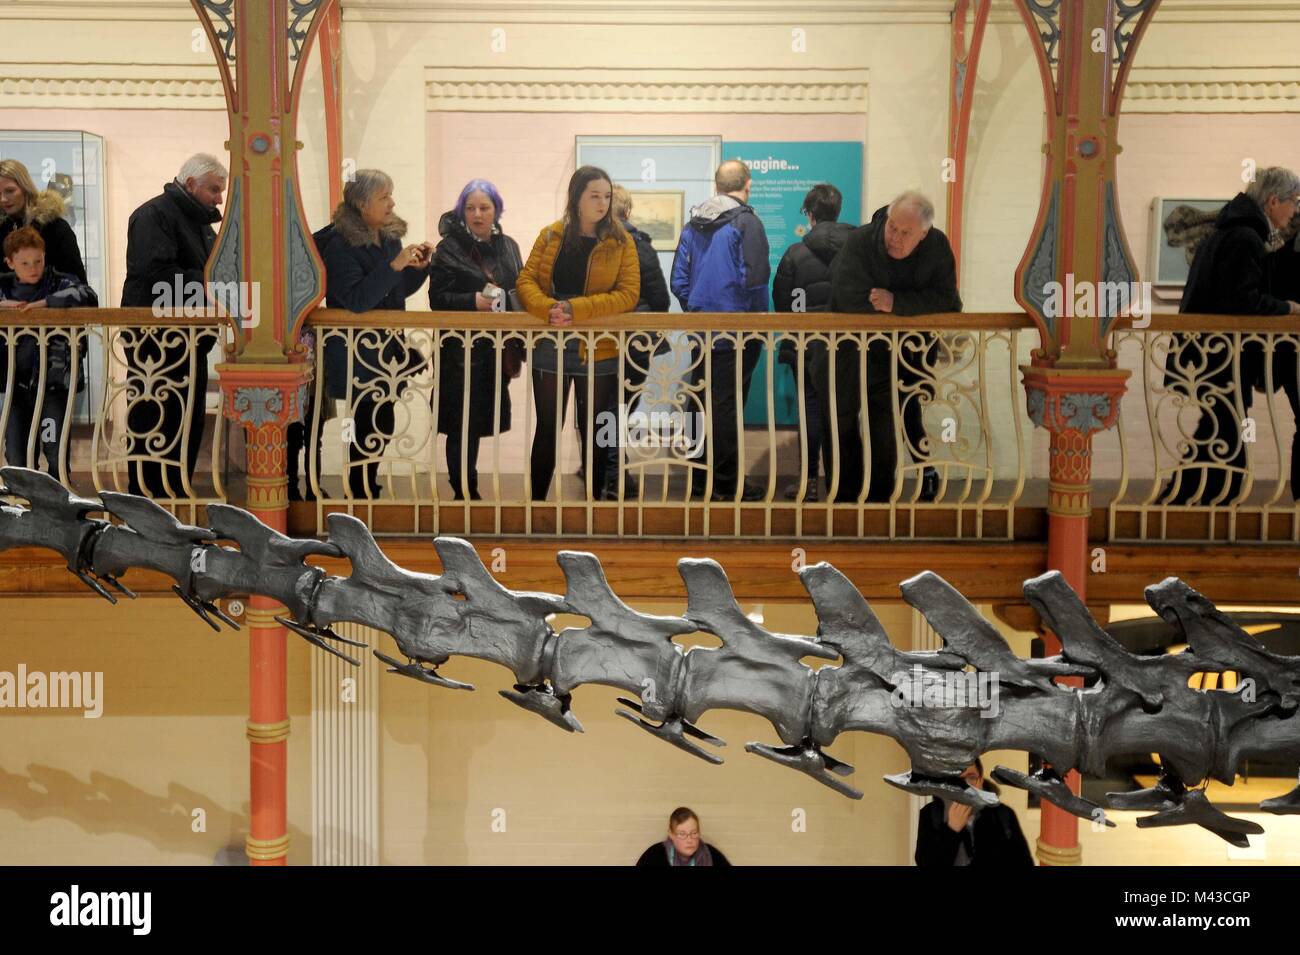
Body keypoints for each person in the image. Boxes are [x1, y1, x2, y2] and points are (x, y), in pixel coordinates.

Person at [1161, 167, 1300, 505]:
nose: (1295, 210)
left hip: (1211, 352)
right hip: (1220, 354)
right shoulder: (1244, 237)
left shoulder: (1234, 230)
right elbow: (1242, 300)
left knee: (1220, 430)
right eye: (1293, 202)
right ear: (1272, 201)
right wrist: (1288, 308)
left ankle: (1186, 502)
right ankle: (1196, 503)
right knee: (1224, 432)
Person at [515, 165, 640, 501]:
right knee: (547, 429)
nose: (602, 203)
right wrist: (547, 308)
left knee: (594, 429)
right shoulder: (551, 235)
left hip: (598, 345)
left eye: (607, 196)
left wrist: (577, 310)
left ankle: (593, 508)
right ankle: (536, 507)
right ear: (576, 198)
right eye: (594, 196)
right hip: (550, 340)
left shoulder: (620, 240)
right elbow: (525, 281)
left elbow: (629, 294)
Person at [827, 190, 960, 502]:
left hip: (905, 356)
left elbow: (949, 302)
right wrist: (907, 308)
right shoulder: (860, 242)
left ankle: (880, 501)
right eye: (892, 228)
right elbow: (848, 299)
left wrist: (895, 302)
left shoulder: (937, 247)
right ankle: (845, 500)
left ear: (923, 234)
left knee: (887, 426)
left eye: (906, 233)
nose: (895, 238)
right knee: (841, 422)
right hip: (848, 351)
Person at [317, 168, 432, 498]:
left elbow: (393, 294)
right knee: (362, 420)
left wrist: (418, 271)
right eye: (384, 197)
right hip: (357, 349)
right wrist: (395, 266)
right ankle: (357, 483)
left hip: (387, 348)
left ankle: (369, 479)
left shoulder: (388, 237)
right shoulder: (341, 245)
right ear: (361, 203)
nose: (392, 202)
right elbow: (356, 300)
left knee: (382, 419)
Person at [120, 153, 227, 497]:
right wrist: (212, 282)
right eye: (214, 189)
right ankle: (148, 497)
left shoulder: (197, 222)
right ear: (191, 183)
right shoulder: (154, 215)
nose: (219, 198)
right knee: (155, 416)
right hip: (156, 340)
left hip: (187, 339)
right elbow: (157, 277)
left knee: (185, 420)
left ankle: (176, 492)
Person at [671, 159, 770, 502]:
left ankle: (701, 480)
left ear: (716, 186)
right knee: (727, 407)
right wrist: (757, 323)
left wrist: (697, 309)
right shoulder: (747, 223)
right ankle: (728, 485)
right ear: (748, 184)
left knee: (700, 402)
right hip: (739, 330)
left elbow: (679, 281)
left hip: (702, 331)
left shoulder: (693, 224)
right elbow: (755, 279)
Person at [427, 179, 524, 500]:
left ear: (497, 210)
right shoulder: (449, 248)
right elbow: (438, 298)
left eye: (484, 207)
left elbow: (520, 287)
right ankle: (463, 490)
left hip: (495, 348)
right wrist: (473, 301)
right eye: (470, 208)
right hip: (459, 351)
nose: (477, 214)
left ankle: (470, 487)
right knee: (460, 422)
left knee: (479, 419)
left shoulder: (508, 245)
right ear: (461, 211)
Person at [773, 183, 854, 502]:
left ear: (809, 214)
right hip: (847, 346)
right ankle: (839, 484)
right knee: (841, 413)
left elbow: (783, 301)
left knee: (810, 411)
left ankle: (808, 482)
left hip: (805, 344)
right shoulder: (856, 250)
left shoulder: (795, 253)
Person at [0, 226, 97, 476]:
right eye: (24, 263)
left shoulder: (59, 281)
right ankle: (22, 504)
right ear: (10, 263)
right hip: (14, 385)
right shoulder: (4, 287)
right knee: (16, 451)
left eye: (38, 261)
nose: (33, 268)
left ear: (45, 257)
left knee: (54, 446)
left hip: (54, 385)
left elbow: (86, 294)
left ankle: (59, 503)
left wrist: (45, 304)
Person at [914, 759, 1033, 867]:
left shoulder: (1003, 815)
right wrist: (951, 830)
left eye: (971, 777)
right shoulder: (930, 814)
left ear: (980, 781)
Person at [0, 158, 87, 283]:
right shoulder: (2, 229)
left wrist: (47, 300)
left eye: (10, 191)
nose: (3, 199)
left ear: (25, 188)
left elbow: (78, 285)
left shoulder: (55, 228)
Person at [635, 806, 731, 866]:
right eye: (682, 834)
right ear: (671, 834)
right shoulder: (653, 857)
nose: (689, 840)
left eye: (694, 833)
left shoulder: (713, 856)